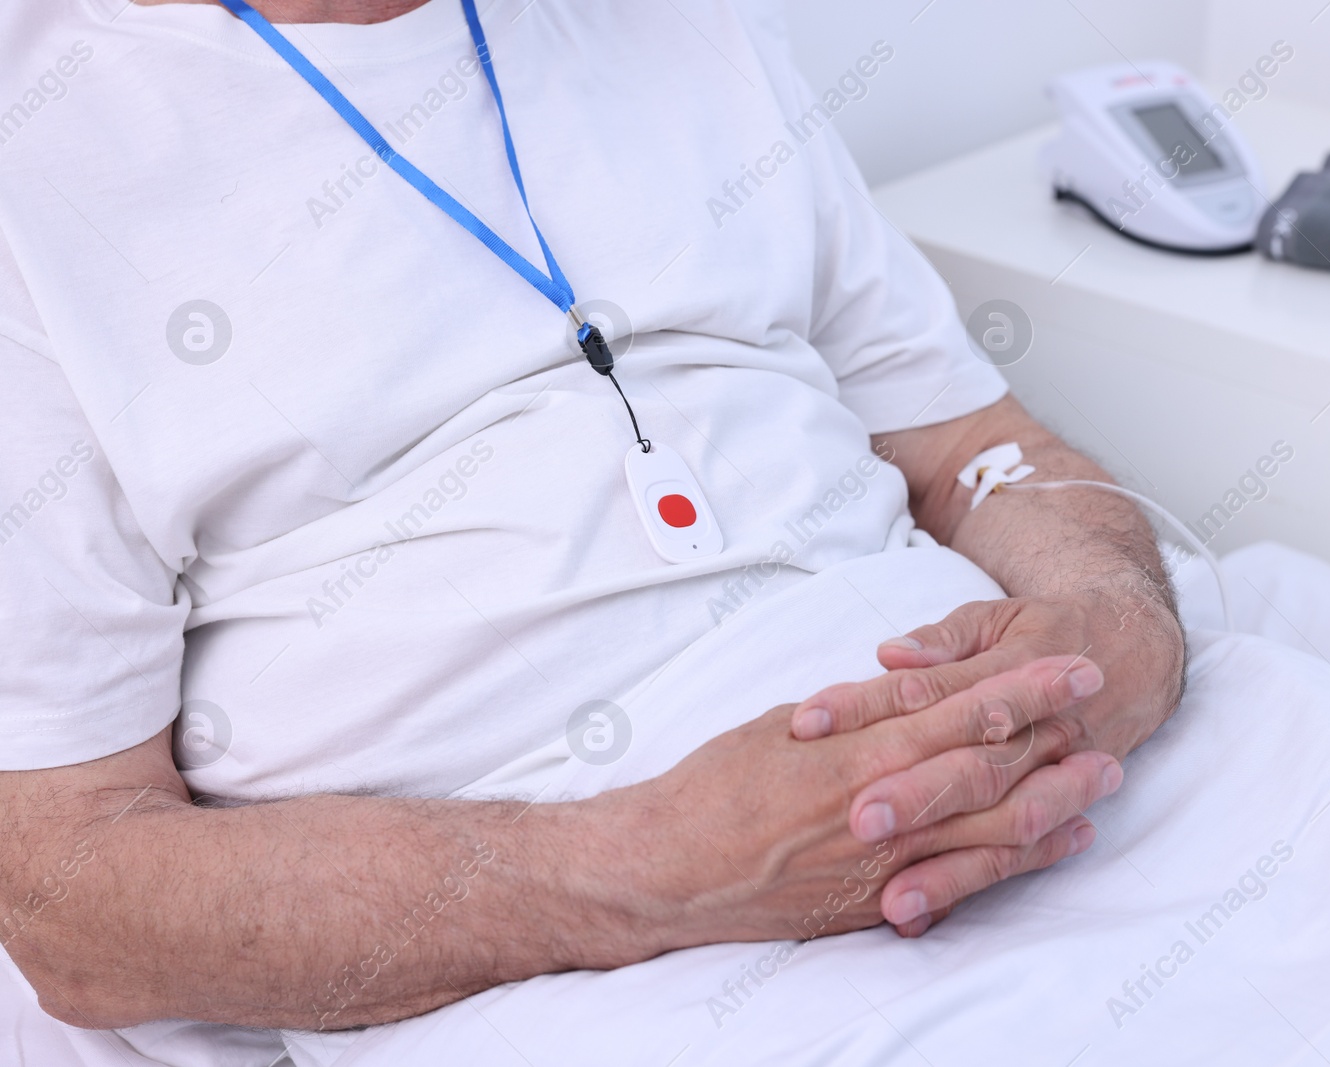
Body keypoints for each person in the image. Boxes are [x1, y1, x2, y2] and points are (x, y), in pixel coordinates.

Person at [0, 0, 1182, 1046]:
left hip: (1051, 772)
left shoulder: (687, 25)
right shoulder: (40, 151)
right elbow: (70, 893)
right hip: (594, 950)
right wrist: (657, 867)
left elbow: (969, 444)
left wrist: (1116, 633)